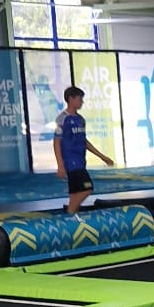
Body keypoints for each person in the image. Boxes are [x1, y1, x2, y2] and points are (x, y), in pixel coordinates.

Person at [53, 85, 113, 213]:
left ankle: (71, 215)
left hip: (80, 160)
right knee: (87, 188)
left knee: (75, 193)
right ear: (70, 99)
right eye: (79, 99)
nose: (82, 102)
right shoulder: (62, 119)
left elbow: (84, 141)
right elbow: (57, 142)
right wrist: (60, 164)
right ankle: (70, 213)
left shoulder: (80, 119)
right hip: (71, 161)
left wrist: (102, 157)